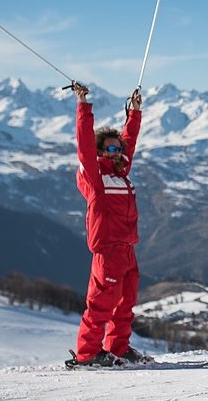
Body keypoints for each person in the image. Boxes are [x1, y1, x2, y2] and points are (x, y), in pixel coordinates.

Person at [65, 83, 147, 368]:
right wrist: (83, 106)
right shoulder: (95, 178)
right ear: (100, 150)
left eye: (117, 148)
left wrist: (134, 113)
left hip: (127, 248)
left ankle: (118, 347)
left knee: (125, 305)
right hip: (108, 250)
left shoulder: (121, 174)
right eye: (109, 148)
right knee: (101, 304)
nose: (115, 152)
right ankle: (88, 353)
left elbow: (129, 142)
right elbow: (84, 144)